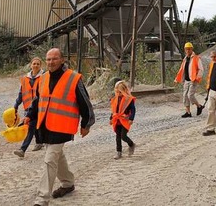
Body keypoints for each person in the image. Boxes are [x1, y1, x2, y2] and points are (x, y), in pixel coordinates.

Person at [25, 48, 95, 206]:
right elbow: (38, 100)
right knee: (58, 156)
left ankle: (42, 199)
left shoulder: (73, 78)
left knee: (50, 159)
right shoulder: (42, 78)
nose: (51, 62)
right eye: (48, 59)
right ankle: (68, 183)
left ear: (62, 60)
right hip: (45, 124)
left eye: (54, 59)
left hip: (62, 127)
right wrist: (29, 115)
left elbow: (85, 102)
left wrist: (86, 124)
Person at [13, 57, 45, 158]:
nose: (35, 65)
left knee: (31, 126)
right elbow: (21, 93)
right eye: (34, 64)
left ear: (40, 66)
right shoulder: (25, 79)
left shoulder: (44, 77)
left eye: (38, 64)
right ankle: (40, 142)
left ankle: (22, 149)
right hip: (28, 107)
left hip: (39, 107)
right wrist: (16, 105)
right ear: (30, 65)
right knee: (35, 126)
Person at [174, 42, 204, 118]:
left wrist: (197, 78)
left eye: (189, 49)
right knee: (185, 96)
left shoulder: (196, 58)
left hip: (193, 80)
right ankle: (188, 112)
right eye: (186, 49)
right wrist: (177, 79)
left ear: (192, 49)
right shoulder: (185, 59)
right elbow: (181, 70)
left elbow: (201, 70)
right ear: (184, 50)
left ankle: (199, 106)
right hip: (186, 80)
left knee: (190, 95)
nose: (188, 50)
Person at [110, 80, 136, 159]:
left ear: (124, 90)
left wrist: (131, 118)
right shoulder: (115, 99)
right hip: (117, 121)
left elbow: (133, 110)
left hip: (125, 120)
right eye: (117, 92)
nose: (118, 94)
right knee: (117, 137)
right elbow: (113, 110)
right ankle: (119, 152)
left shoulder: (129, 99)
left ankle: (131, 144)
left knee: (123, 136)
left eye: (120, 92)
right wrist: (111, 118)